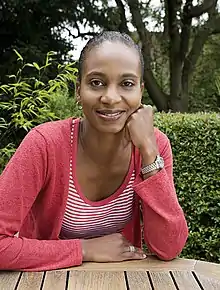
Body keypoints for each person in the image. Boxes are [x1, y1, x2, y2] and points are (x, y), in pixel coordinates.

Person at [0, 31, 188, 272]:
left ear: (141, 91)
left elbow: (169, 247)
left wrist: (150, 153)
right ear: (79, 90)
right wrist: (85, 249)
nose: (110, 97)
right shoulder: (44, 145)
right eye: (96, 82)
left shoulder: (153, 146)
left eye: (127, 84)